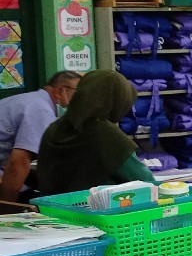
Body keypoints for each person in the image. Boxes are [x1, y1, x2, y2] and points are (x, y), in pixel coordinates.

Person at [36, 70, 155, 195]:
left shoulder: (55, 128)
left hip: (51, 204)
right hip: (93, 206)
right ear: (116, 102)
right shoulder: (105, 133)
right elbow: (145, 180)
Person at [0, 71, 80, 200]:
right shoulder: (40, 109)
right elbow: (18, 162)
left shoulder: (30, 100)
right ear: (60, 91)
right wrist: (8, 207)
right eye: (77, 92)